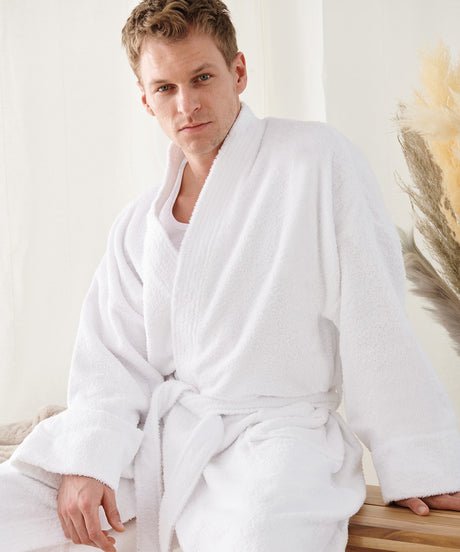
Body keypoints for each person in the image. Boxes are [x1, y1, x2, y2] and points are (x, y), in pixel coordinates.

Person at [2, 1, 460, 551]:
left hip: (275, 440)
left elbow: (374, 316)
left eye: (202, 77)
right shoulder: (137, 224)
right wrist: (89, 457)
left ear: (238, 72)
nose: (187, 104)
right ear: (145, 99)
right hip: (164, 439)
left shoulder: (316, 161)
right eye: (165, 88)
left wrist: (418, 460)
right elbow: (111, 363)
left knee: (256, 536)